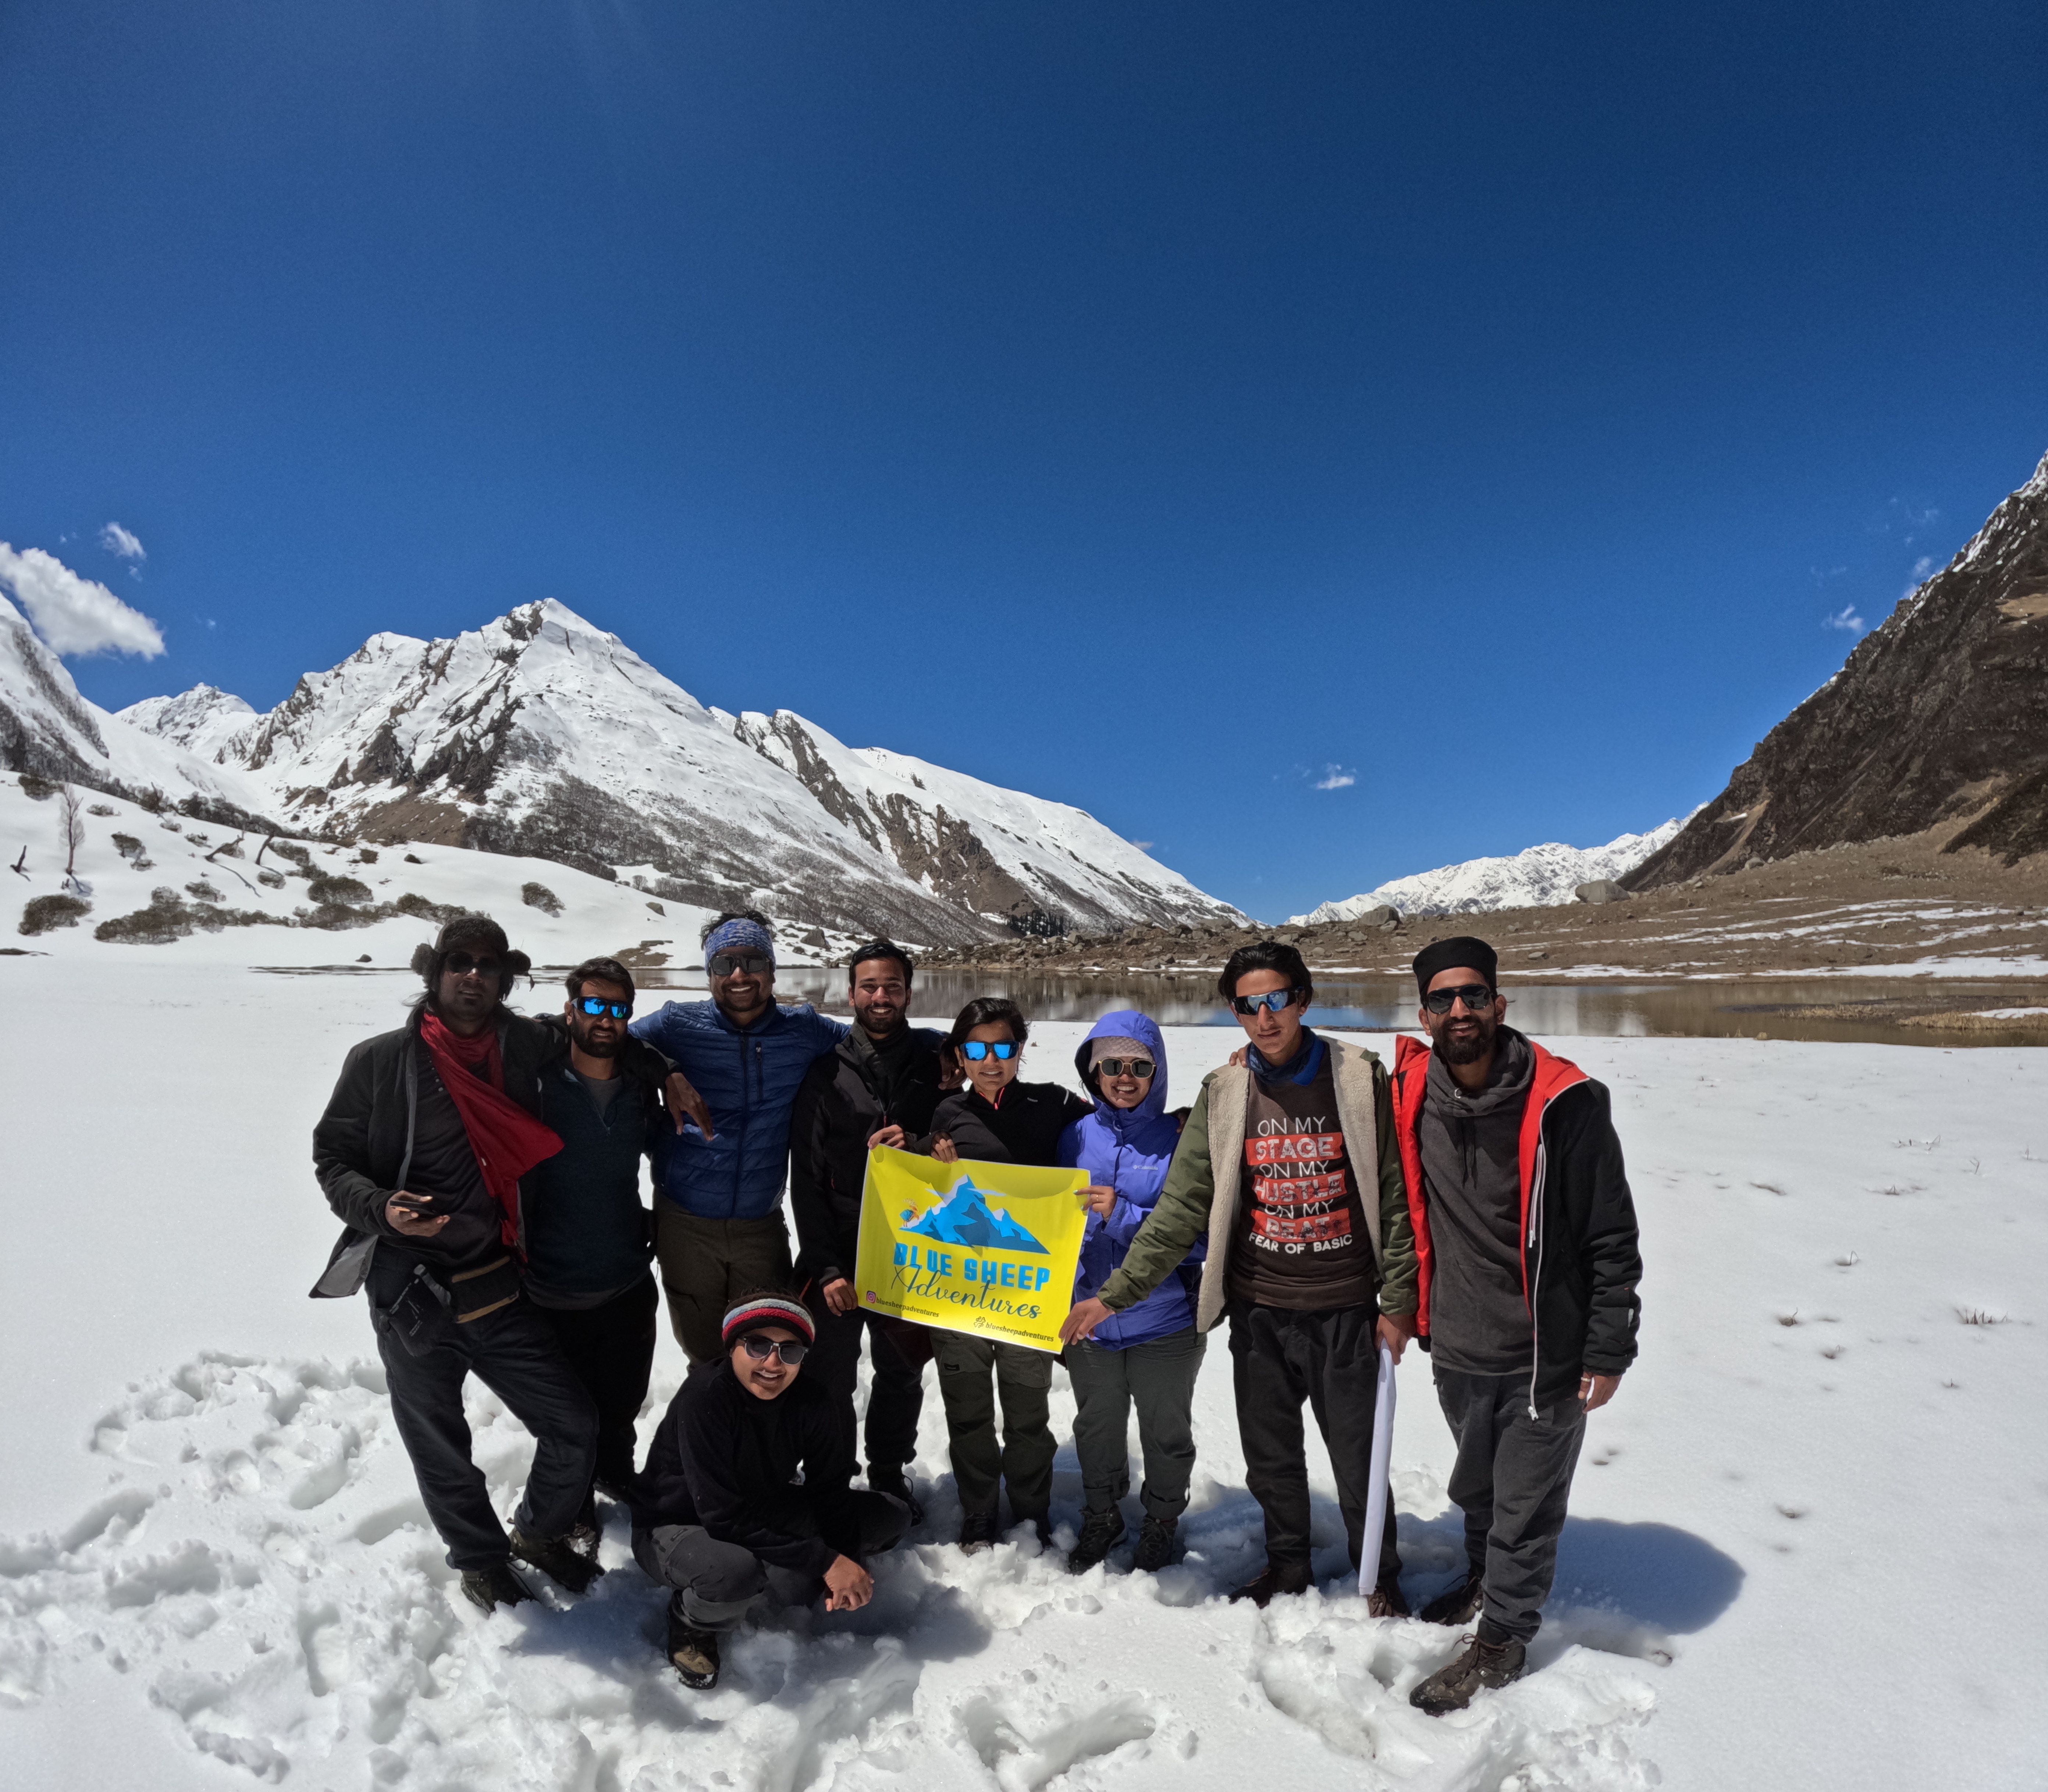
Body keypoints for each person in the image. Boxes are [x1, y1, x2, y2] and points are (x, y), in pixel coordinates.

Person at [310, 917, 690, 1612]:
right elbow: (332, 1158)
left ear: (506, 980)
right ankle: (479, 1558)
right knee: (438, 1436)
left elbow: (607, 1041)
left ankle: (539, 1534)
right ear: (435, 973)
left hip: (494, 1279)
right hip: (408, 1288)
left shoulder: (524, 1046)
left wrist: (666, 1072)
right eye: (459, 962)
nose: (473, 976)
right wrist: (380, 1208)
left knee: (572, 1423)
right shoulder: (378, 1062)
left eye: (488, 965)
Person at [1061, 941, 1415, 1614]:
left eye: (1276, 999)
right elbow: (1180, 1211)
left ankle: (1381, 1573)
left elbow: (1394, 1193)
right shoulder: (1223, 1093)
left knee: (1357, 1455)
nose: (1265, 1017)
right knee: (1270, 1456)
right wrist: (1113, 1296)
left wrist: (1396, 1300)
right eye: (1249, 1005)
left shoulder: (1355, 1076)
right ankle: (1287, 1565)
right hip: (1258, 1309)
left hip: (1343, 1305)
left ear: (1301, 999)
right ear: (1234, 1012)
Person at [1391, 936, 1642, 1715]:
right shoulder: (1406, 1088)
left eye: (1473, 996)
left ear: (1499, 1004)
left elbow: (1610, 1233)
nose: (1458, 1011)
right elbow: (1305, 1078)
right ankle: (1479, 1580)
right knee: (1476, 1485)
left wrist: (1609, 1345)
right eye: (1442, 999)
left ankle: (1501, 1641)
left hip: (1547, 1353)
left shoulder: (1567, 1103)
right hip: (1457, 1342)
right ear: (1425, 1012)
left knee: (1526, 1505)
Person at [632, 1293, 911, 1691]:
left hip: (760, 1506)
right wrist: (827, 1562)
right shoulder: (705, 1399)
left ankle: (807, 1569)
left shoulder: (814, 1402)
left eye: (790, 1350)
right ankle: (692, 1624)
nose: (773, 1363)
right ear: (732, 1347)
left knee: (888, 1516)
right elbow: (721, 1517)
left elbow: (829, 1490)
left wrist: (844, 1557)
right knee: (734, 1573)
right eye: (758, 1345)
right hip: (676, 1525)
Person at [630, 913, 848, 1364]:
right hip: (686, 1223)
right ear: (709, 973)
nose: (738, 976)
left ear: (771, 971)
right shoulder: (677, 1025)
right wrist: (665, 1069)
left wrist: (947, 1050)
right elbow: (611, 1043)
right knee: (705, 1357)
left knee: (764, 1351)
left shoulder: (803, 1029)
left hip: (761, 1225)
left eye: (752, 961)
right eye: (724, 964)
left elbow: (871, 1045)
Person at [922, 996, 1093, 1551]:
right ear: (959, 1055)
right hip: (960, 1293)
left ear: (1021, 1051)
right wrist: (923, 1157)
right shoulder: (947, 1113)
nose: (990, 1060)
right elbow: (925, 1186)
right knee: (968, 1412)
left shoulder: (1055, 1104)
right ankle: (978, 1511)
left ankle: (1029, 1511)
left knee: (1028, 1415)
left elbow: (1116, 1127)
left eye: (1003, 1048)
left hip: (1028, 1296)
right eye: (976, 1048)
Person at [788, 940, 949, 1520]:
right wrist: (826, 1267)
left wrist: (925, 1145)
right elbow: (804, 1179)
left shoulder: (938, 1062)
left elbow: (961, 1139)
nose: (881, 997)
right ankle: (830, 1478)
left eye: (892, 987)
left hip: (915, 1252)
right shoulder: (825, 1072)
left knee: (901, 1373)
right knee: (829, 1377)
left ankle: (887, 1475)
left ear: (909, 991)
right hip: (841, 1255)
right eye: (870, 987)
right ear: (850, 992)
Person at [1058, 1010, 1206, 1575]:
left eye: (1139, 1066)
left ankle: (1162, 1521)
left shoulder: (1182, 1140)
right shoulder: (1073, 1136)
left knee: (1166, 1434)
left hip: (1164, 1320)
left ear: (1158, 1069)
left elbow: (1200, 1241)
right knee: (1096, 1428)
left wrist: (1122, 1215)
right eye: (1111, 1066)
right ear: (1094, 1072)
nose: (1125, 1077)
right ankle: (1102, 1513)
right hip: (1089, 1319)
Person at [520, 956, 669, 1508]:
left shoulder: (637, 1089)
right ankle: (570, 1504)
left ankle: (616, 1472)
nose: (605, 1019)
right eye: (593, 1006)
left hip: (626, 1277)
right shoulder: (537, 1083)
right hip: (550, 1284)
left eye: (618, 1009)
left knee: (621, 1404)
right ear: (571, 1010)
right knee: (568, 1417)